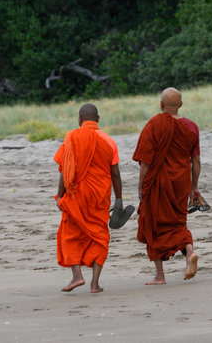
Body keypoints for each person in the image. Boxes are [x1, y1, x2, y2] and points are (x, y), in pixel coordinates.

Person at [133, 87, 201, 284]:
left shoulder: (155, 124)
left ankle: (160, 275)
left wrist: (141, 186)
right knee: (178, 222)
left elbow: (146, 161)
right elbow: (195, 161)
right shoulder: (191, 127)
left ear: (162, 105)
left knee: (152, 223)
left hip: (158, 182)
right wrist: (194, 187)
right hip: (181, 181)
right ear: (180, 105)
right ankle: (189, 252)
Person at [54, 103, 123, 293]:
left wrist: (60, 196)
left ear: (79, 119)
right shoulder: (109, 141)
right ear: (98, 119)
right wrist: (119, 199)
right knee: (100, 235)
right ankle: (94, 283)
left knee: (70, 233)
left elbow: (64, 170)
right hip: (99, 196)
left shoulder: (71, 138)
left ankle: (77, 276)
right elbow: (115, 174)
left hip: (75, 195)